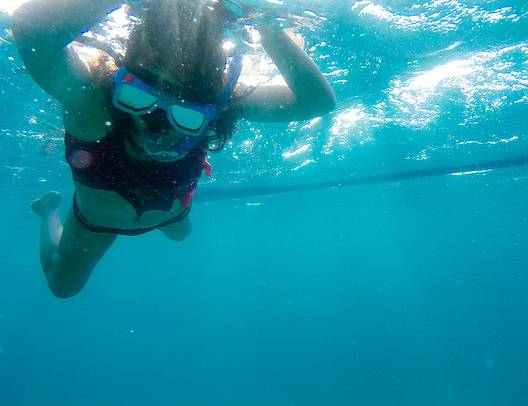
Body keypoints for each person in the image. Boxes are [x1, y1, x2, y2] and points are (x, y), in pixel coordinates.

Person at [11, 0, 336, 298]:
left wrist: (266, 22)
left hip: (173, 212)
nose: (156, 126)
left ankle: (167, 216)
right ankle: (48, 210)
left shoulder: (221, 103)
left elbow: (317, 102)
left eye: (186, 116)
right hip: (98, 222)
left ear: (209, 107)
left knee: (181, 234)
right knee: (62, 287)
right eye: (138, 98)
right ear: (122, 82)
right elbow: (30, 28)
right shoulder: (92, 101)